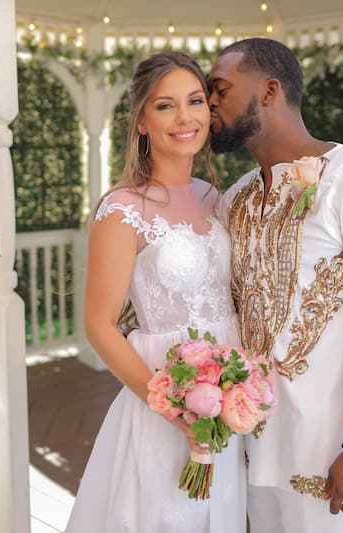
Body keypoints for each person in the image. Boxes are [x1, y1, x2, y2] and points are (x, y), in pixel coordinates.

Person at [209, 38, 343, 533]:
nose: (209, 103)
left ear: (269, 90)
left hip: (326, 449)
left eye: (220, 89)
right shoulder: (234, 199)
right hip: (246, 442)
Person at [65, 52, 246, 533]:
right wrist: (171, 407)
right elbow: (99, 326)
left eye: (195, 101)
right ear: (142, 122)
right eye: (166, 106)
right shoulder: (122, 209)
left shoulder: (215, 197)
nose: (185, 118)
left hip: (229, 391)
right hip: (163, 387)